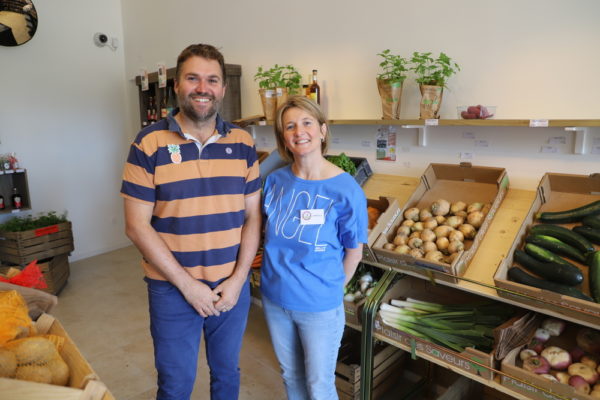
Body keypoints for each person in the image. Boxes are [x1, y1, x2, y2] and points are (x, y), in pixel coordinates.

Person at [120, 43, 261, 400]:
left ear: (223, 89)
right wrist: (187, 286)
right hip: (171, 288)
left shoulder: (243, 143)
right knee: (175, 383)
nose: (203, 88)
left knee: (227, 374)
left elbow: (252, 217)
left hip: (231, 286)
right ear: (177, 86)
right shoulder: (148, 143)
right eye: (193, 78)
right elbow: (136, 225)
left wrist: (238, 279)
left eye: (212, 80)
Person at [260, 96, 368, 400]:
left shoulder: (345, 189)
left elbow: (354, 251)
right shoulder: (275, 181)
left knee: (319, 387)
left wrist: (331, 290)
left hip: (318, 306)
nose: (299, 131)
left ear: (322, 130)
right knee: (291, 377)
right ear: (283, 137)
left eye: (307, 122)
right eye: (290, 126)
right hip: (274, 298)